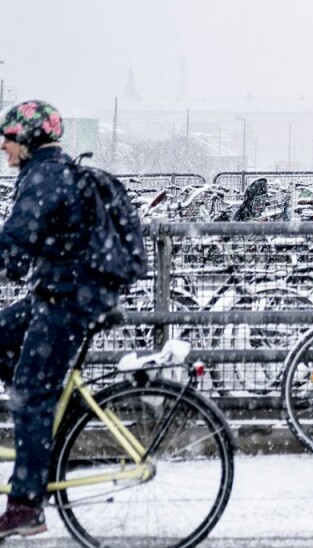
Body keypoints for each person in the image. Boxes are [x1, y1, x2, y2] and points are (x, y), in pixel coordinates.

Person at [0, 100, 124, 537]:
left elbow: (16, 239)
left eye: (10, 139)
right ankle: (48, 420)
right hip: (62, 291)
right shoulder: (49, 172)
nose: (3, 147)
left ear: (30, 140)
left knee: (31, 394)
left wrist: (9, 258)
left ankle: (26, 506)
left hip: (69, 299)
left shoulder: (44, 177)